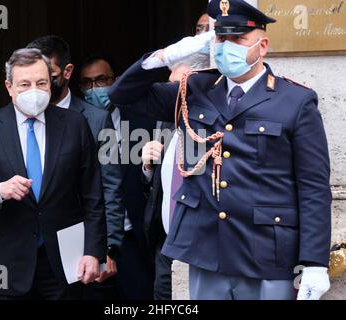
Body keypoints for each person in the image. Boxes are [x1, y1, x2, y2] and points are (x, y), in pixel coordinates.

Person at [109, 0, 332, 300]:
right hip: (207, 251)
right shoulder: (195, 89)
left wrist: (315, 262)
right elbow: (123, 95)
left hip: (266, 255)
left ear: (262, 46)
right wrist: (165, 57)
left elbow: (313, 188)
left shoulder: (295, 101)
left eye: (238, 39)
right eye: (221, 38)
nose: (228, 46)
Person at [0, 48, 107, 300]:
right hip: (10, 262)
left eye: (41, 82)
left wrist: (94, 252)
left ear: (50, 83)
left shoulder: (74, 125)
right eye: (24, 84)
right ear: (9, 87)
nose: (34, 90)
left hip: (65, 262)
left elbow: (93, 195)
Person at [26, 36, 124, 295]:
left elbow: (111, 187)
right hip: (31, 251)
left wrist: (109, 247)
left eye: (49, 75)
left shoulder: (97, 120)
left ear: (67, 72)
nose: (40, 84)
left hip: (82, 247)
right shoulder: (22, 117)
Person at [141, 12, 213, 300]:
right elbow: (158, 185)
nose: (173, 94)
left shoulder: (215, 123)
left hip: (201, 249)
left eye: (179, 86)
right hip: (166, 247)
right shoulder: (166, 119)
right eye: (170, 86)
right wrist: (147, 167)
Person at [80, 55, 156, 300]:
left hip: (134, 234)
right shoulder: (77, 123)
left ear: (115, 79)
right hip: (90, 239)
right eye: (88, 83)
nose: (95, 88)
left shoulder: (141, 120)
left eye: (101, 80)